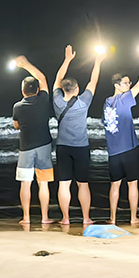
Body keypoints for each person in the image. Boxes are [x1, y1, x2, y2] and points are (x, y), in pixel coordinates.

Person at [52, 45, 101, 225]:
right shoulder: (83, 102)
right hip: (81, 147)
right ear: (77, 89)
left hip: (63, 147)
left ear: (64, 88)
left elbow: (57, 80)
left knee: (64, 184)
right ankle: (86, 218)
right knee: (83, 183)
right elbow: (93, 81)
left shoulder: (57, 100)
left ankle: (65, 218)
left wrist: (67, 60)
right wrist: (98, 61)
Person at [103, 50, 139, 225]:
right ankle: (132, 218)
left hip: (113, 152)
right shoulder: (124, 99)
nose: (128, 85)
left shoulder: (107, 103)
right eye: (125, 83)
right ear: (117, 85)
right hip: (129, 150)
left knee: (114, 185)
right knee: (132, 184)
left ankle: (113, 218)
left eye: (129, 82)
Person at [12, 56, 54, 225]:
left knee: (25, 183)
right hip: (44, 145)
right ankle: (44, 218)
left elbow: (16, 126)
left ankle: (26, 217)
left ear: (23, 92)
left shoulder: (17, 106)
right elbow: (42, 78)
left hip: (25, 148)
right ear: (37, 90)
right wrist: (26, 64)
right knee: (43, 183)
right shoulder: (43, 100)